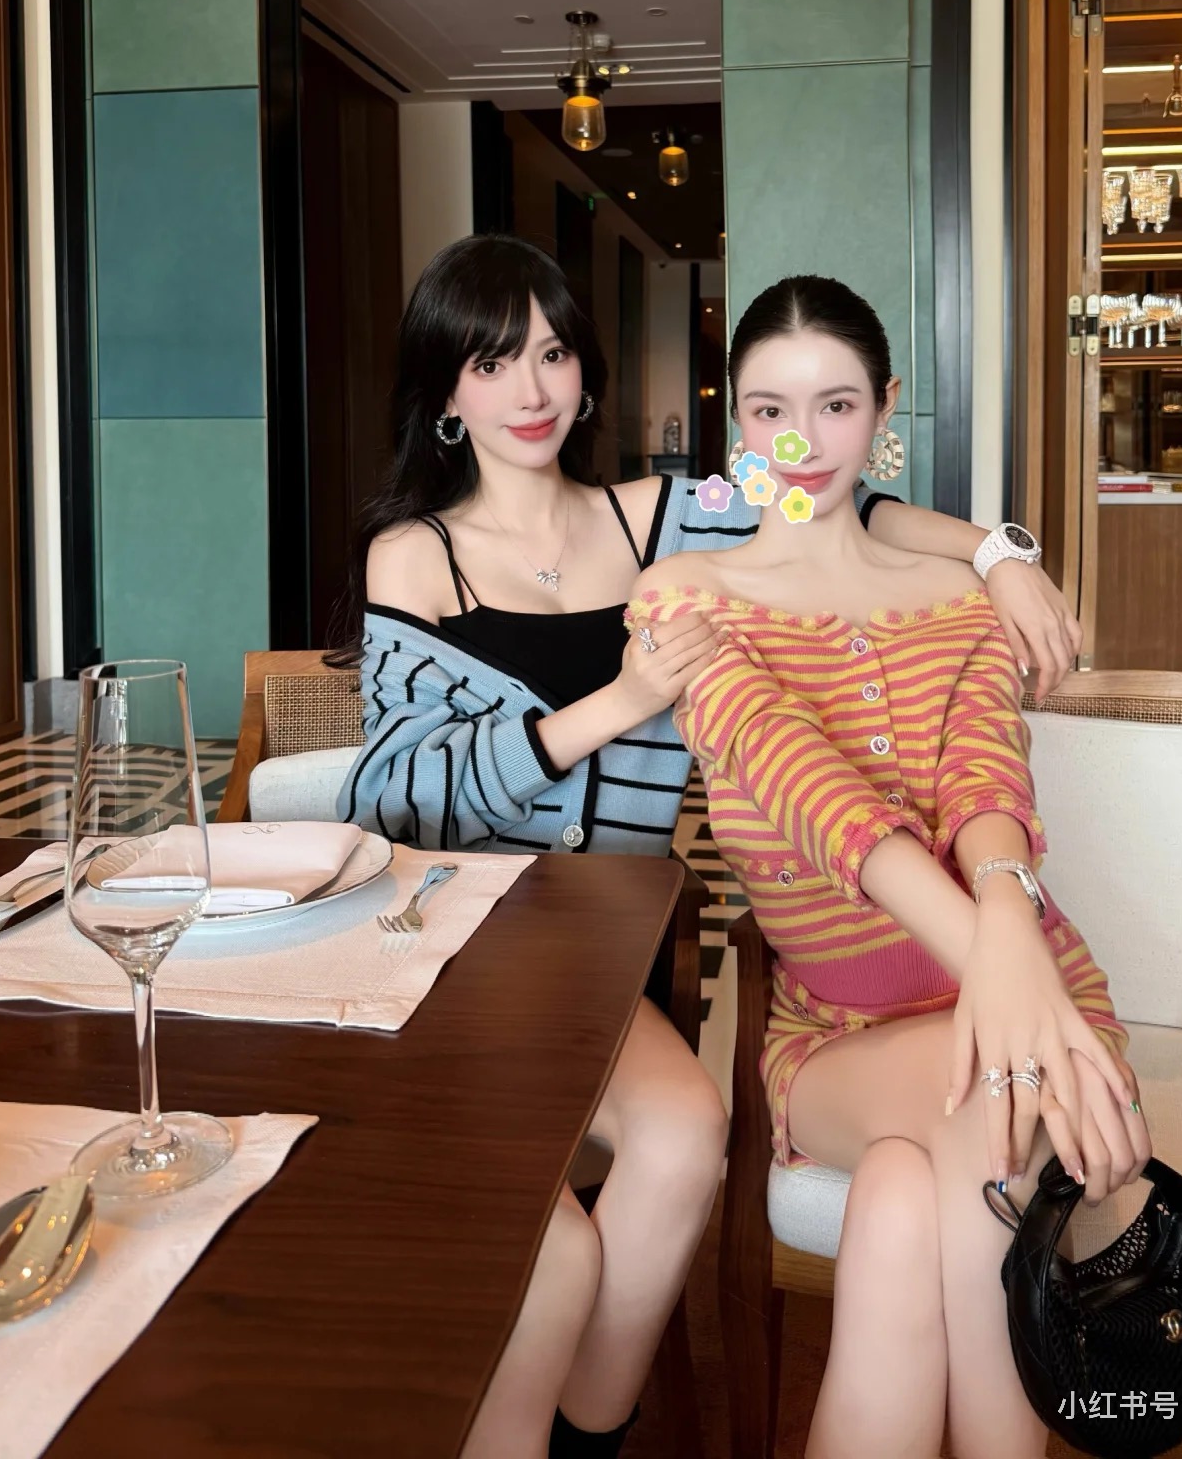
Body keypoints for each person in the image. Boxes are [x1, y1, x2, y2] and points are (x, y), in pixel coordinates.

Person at [332, 234, 1084, 1459]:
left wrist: (999, 557)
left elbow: (844, 500)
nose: (532, 390)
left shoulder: (665, 519)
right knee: (555, 1249)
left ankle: (590, 1433)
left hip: (601, 953)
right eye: (493, 362)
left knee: (689, 1132)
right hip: (453, 940)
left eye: (553, 354)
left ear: (585, 372)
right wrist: (614, 707)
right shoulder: (418, 554)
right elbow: (397, 799)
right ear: (447, 392)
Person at [627, 275, 1151, 1459]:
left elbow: (987, 790)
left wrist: (1014, 955)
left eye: (837, 405)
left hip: (1034, 985)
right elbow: (815, 797)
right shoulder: (687, 600)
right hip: (837, 1039)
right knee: (994, 1106)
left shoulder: (957, 598)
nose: (802, 443)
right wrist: (1019, 997)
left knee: (907, 1209)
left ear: (885, 409)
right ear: (735, 418)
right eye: (769, 411)